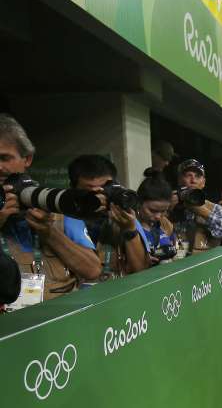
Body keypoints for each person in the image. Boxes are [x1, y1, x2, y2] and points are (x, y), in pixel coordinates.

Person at [0, 114, 101, 307]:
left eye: (5, 158)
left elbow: (92, 270)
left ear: (27, 159)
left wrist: (49, 232)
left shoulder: (51, 203)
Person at [68, 154, 150, 277]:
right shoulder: (62, 219)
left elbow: (141, 270)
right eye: (90, 191)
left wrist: (129, 231)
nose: (100, 196)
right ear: (73, 189)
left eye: (104, 189)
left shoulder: (124, 217)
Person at [171, 159, 222, 253]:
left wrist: (205, 213)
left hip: (206, 263)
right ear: (179, 180)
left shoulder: (214, 208)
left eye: (197, 176)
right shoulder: (171, 203)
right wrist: (168, 208)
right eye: (188, 175)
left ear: (203, 182)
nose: (193, 180)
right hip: (178, 262)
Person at [136, 172, 178, 265]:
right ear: (138, 203)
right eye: (152, 210)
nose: (158, 216)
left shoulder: (165, 224)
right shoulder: (130, 228)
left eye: (163, 211)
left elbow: (176, 250)